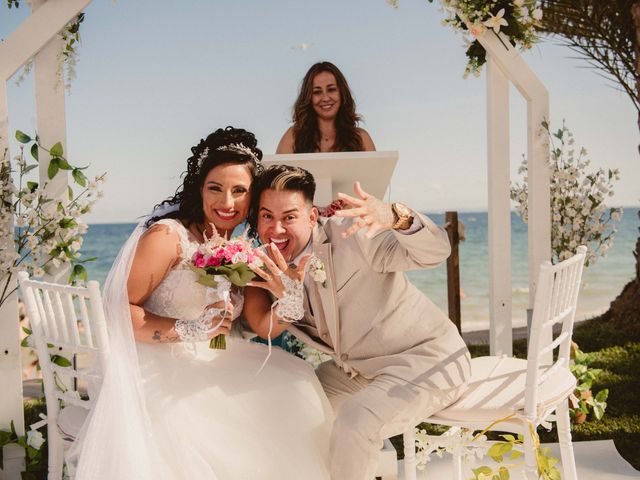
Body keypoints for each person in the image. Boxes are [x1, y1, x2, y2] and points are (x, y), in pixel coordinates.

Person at [68, 129, 333, 480]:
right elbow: (117, 310)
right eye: (215, 188)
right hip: (155, 362)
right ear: (199, 188)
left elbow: (261, 325)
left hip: (215, 355)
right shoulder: (168, 237)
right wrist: (186, 329)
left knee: (296, 383)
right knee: (227, 425)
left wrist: (290, 297)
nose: (228, 201)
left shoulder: (243, 248)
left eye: (239, 191)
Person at [243, 165, 471, 480]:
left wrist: (396, 216)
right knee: (291, 402)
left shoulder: (352, 235)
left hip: (426, 359)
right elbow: (255, 326)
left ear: (312, 217)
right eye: (267, 216)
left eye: (289, 217)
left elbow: (435, 252)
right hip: (358, 369)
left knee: (356, 419)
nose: (276, 229)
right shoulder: (265, 266)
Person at [276, 61, 375, 154]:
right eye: (317, 92)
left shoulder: (361, 138)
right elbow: (276, 172)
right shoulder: (293, 137)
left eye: (331, 89)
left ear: (341, 93)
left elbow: (377, 172)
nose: (325, 98)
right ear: (309, 98)